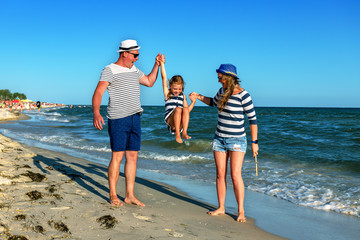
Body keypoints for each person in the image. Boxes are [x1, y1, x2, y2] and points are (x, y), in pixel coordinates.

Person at [92, 39, 164, 207]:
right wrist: (96, 112)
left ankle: (130, 195)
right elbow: (98, 92)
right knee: (117, 156)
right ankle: (113, 194)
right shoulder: (109, 70)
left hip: (135, 117)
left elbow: (149, 82)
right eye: (135, 55)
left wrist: (157, 65)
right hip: (118, 118)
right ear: (124, 53)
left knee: (132, 157)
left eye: (138, 55)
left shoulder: (134, 69)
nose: (137, 58)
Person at [190, 64, 259, 222]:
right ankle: (221, 207)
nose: (217, 77)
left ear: (227, 76)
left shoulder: (244, 95)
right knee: (220, 175)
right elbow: (213, 103)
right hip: (219, 138)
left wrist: (255, 142)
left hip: (237, 140)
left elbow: (253, 120)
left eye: (219, 75)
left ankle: (241, 211)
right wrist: (198, 96)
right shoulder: (221, 91)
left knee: (235, 175)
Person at [158, 59, 196, 143]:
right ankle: (177, 135)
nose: (177, 91)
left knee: (185, 109)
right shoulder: (167, 93)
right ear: (170, 86)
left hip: (180, 124)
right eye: (175, 88)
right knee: (179, 109)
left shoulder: (183, 96)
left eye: (179, 89)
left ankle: (184, 132)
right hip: (170, 120)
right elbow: (164, 78)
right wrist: (162, 63)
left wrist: (193, 102)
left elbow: (187, 111)